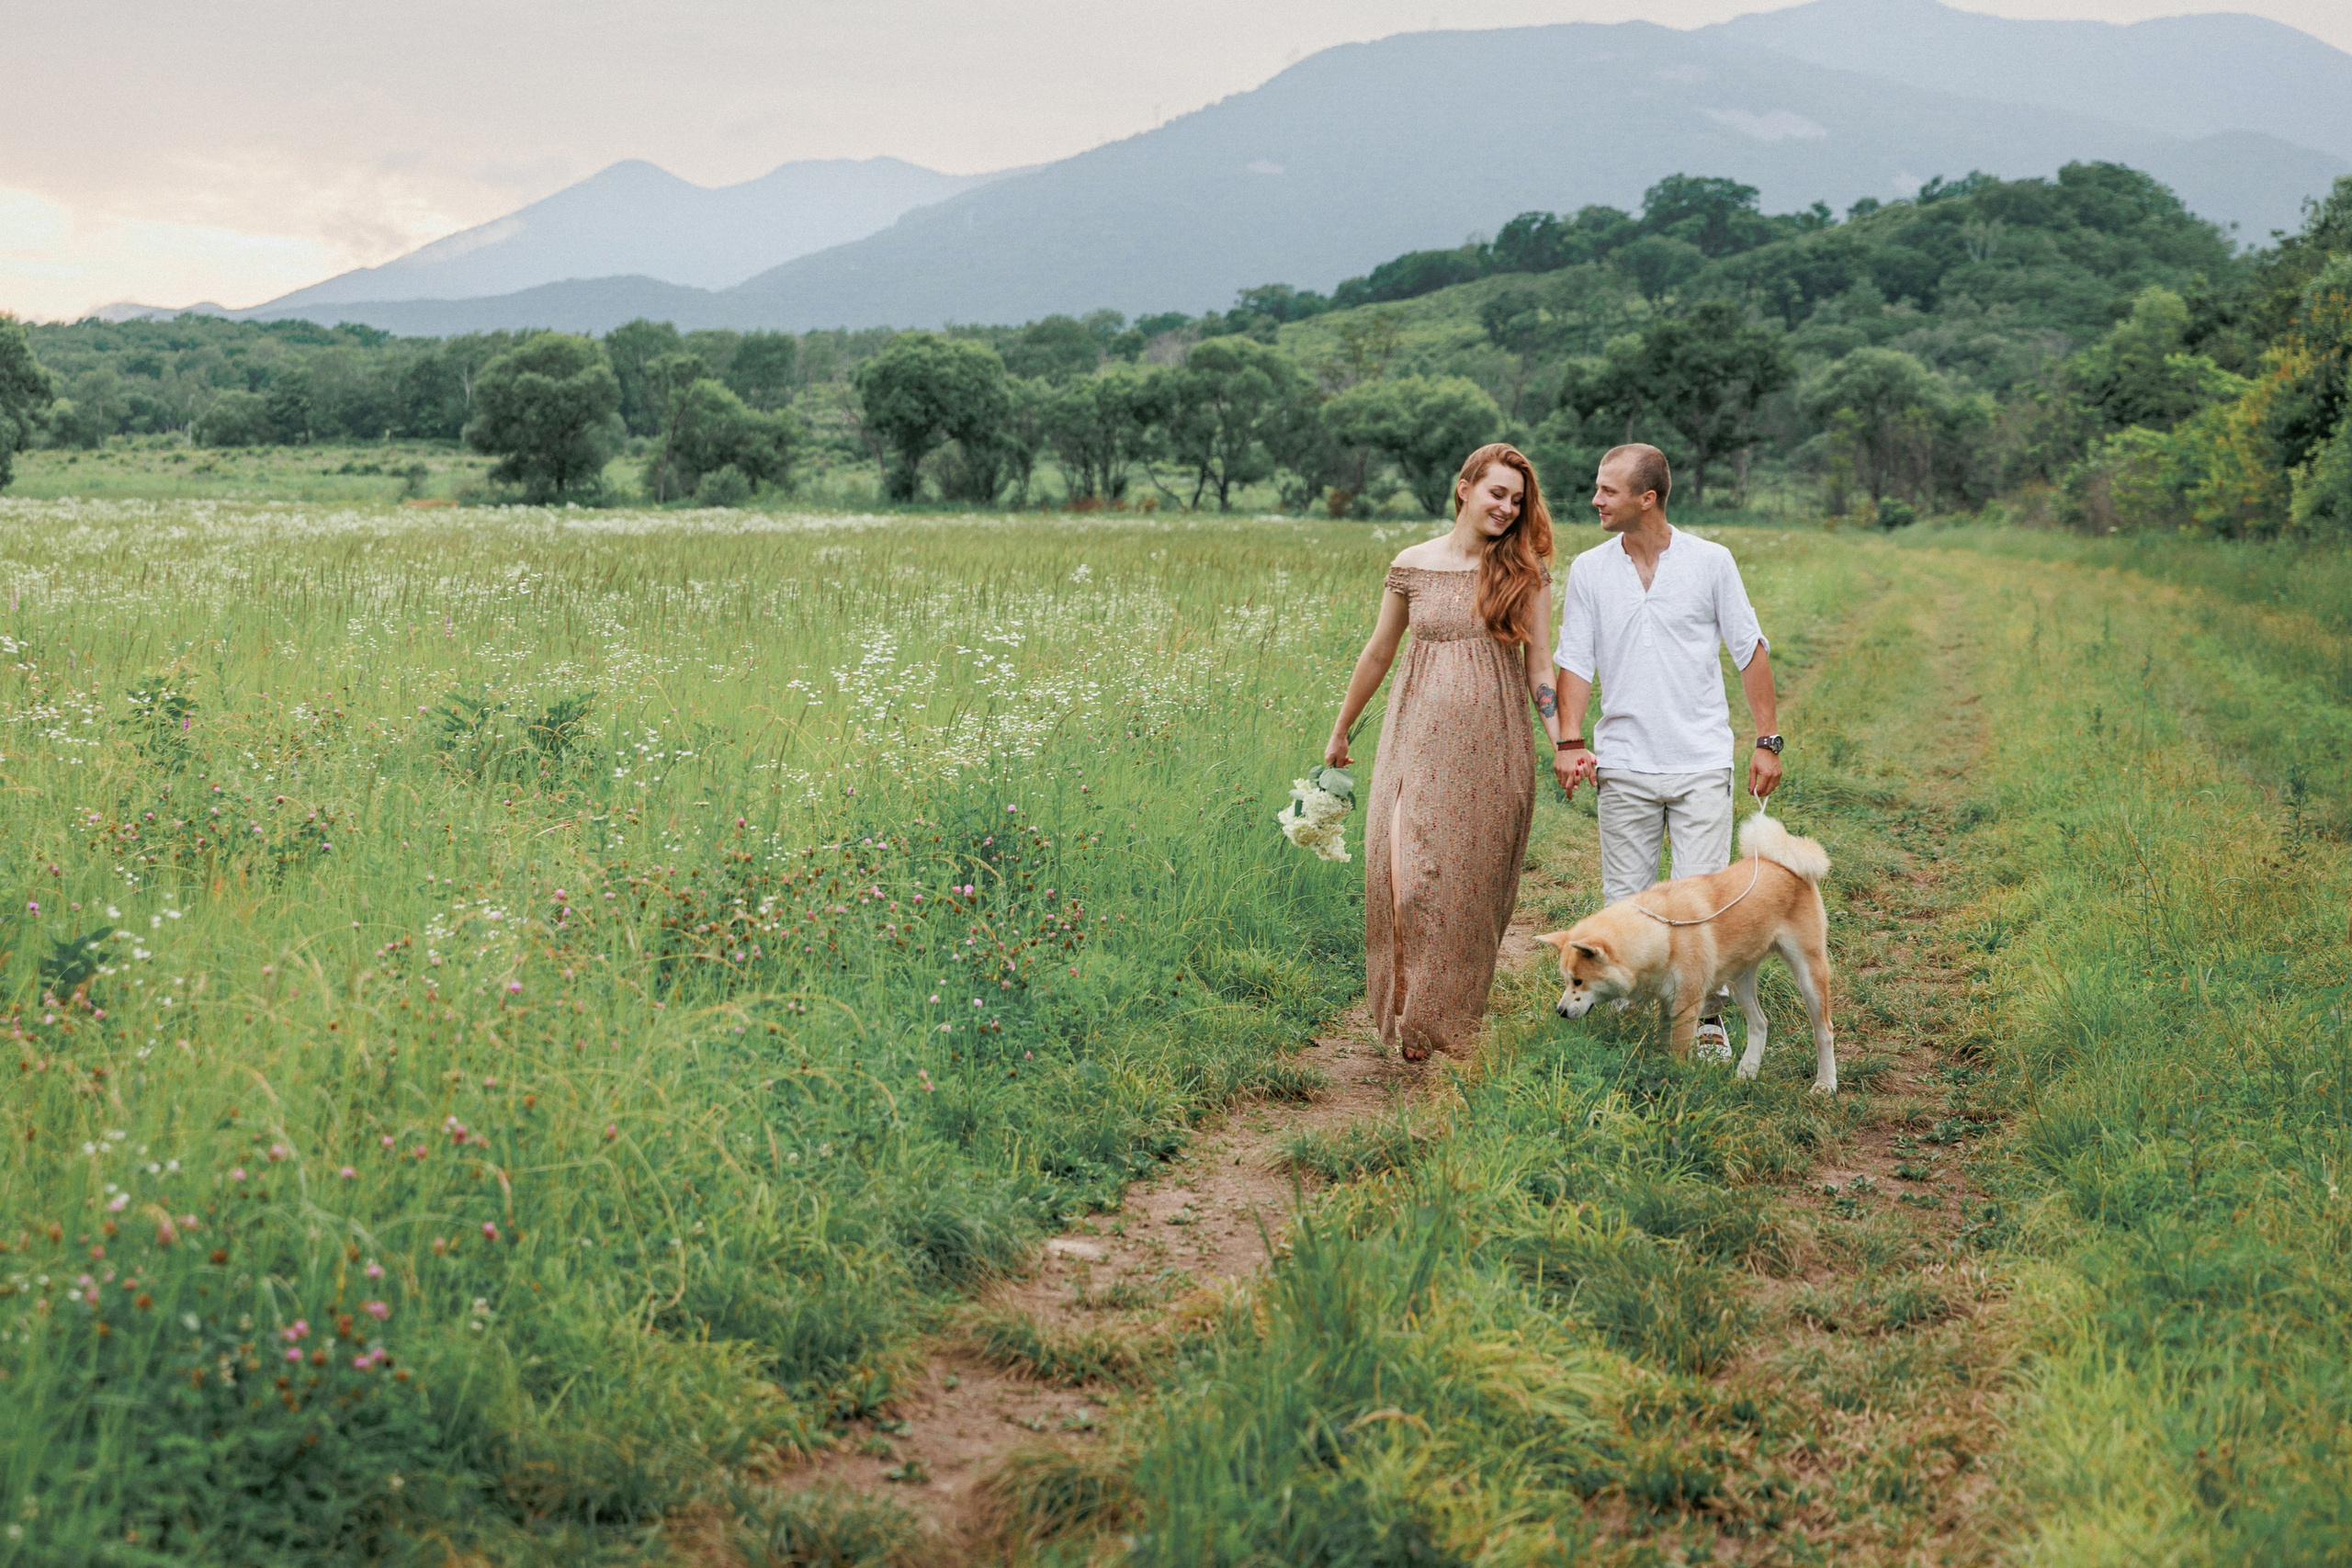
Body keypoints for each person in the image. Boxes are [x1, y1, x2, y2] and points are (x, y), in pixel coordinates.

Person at [1325, 444, 1581, 1060]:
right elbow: (1378, 652)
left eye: (1518, 500)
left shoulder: (1525, 570)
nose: (1508, 507)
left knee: (1470, 889)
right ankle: (1408, 1008)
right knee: (1403, 880)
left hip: (1493, 748)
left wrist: (1564, 742)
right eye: (1497, 493)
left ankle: (1441, 1023)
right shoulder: (1412, 564)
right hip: (1411, 741)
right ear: (1464, 487)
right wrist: (1340, 731)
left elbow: (1539, 664)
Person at [1552, 443, 1783, 1061]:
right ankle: (1627, 1007)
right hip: (1623, 761)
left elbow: (1748, 648)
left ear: (1646, 498)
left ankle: (1707, 1017)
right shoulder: (1590, 570)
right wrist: (1570, 740)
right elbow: (1573, 659)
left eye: (1607, 489)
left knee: (1699, 906)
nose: (1595, 499)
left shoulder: (1711, 562)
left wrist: (1767, 739)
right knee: (1626, 900)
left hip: (1701, 761)